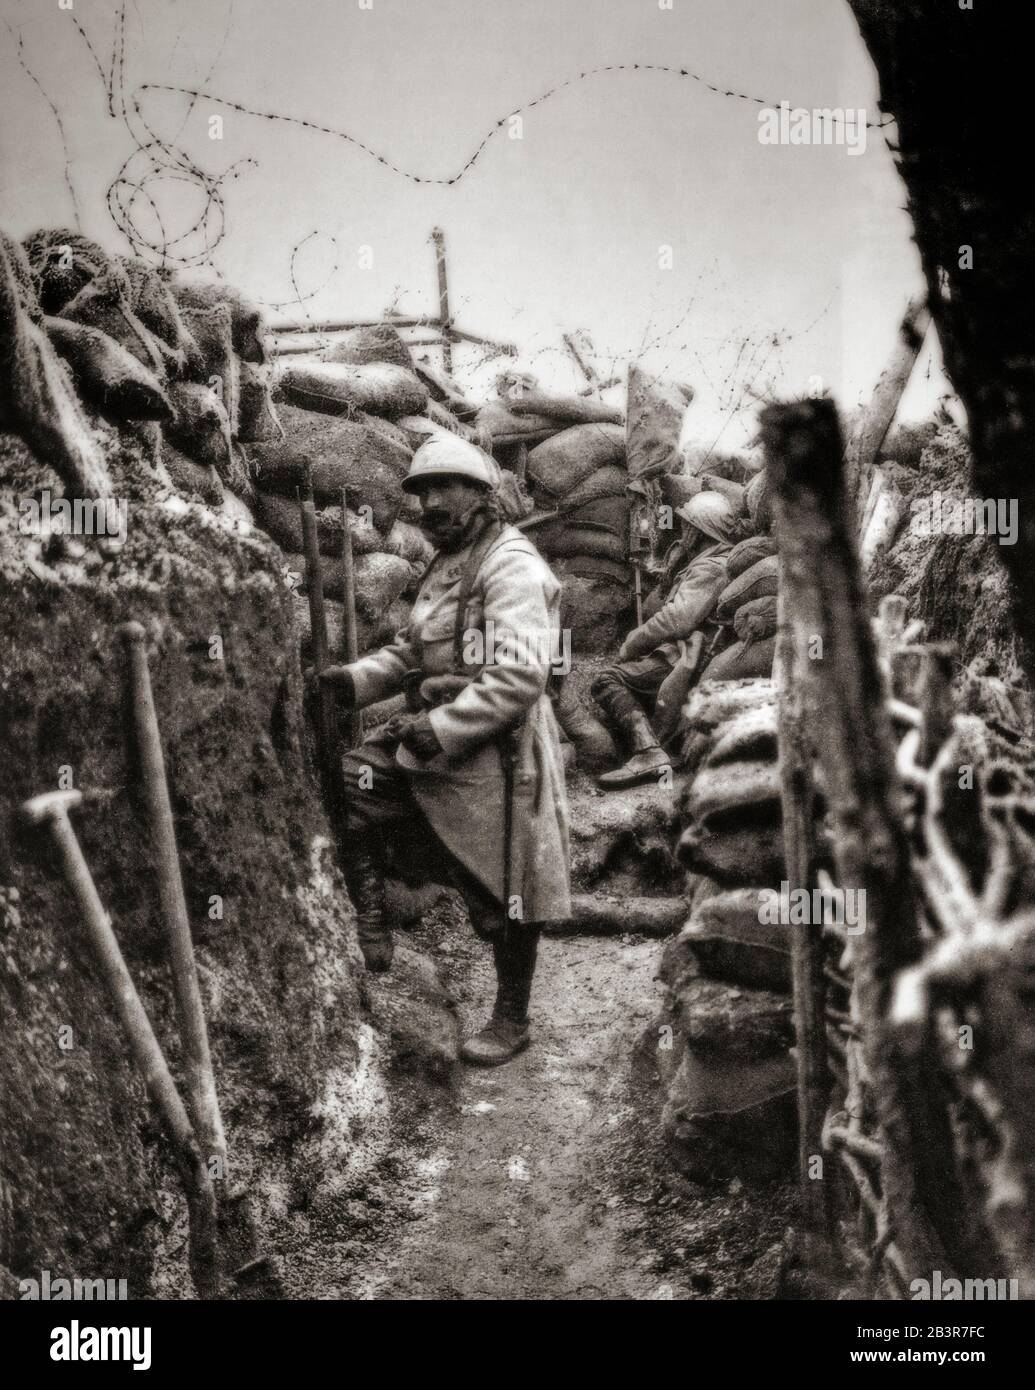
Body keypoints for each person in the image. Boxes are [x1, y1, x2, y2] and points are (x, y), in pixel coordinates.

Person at [318, 435, 571, 1066]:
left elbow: (520, 675)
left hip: (495, 755)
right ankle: (371, 910)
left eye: (444, 489)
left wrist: (446, 727)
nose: (430, 503)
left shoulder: (510, 563)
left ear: (481, 494)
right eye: (422, 493)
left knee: (505, 887)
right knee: (351, 782)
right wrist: (350, 681)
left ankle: (511, 1016)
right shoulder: (446, 562)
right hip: (434, 749)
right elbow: (411, 650)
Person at [590, 490, 744, 789]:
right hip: (685, 655)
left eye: (689, 526)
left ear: (701, 531)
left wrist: (633, 641)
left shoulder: (710, 567)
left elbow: (678, 618)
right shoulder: (708, 562)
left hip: (687, 657)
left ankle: (648, 752)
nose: (683, 530)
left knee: (607, 679)